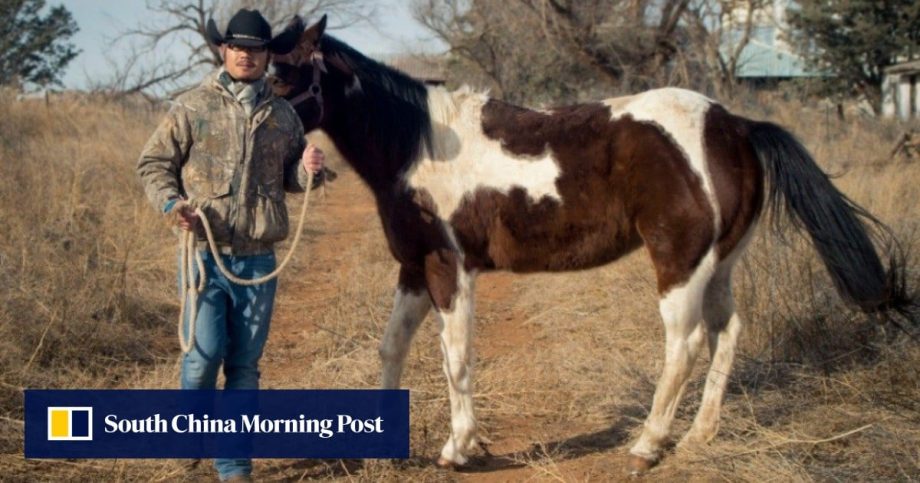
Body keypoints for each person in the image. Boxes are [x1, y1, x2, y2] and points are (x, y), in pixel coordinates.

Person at [136, 9, 324, 482]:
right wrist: (171, 204)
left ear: (267, 55)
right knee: (203, 357)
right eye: (238, 46)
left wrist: (308, 169)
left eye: (255, 49)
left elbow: (292, 178)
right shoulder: (191, 106)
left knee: (244, 365)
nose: (246, 55)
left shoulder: (283, 115)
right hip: (204, 254)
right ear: (224, 49)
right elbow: (154, 164)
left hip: (258, 261)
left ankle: (234, 464)